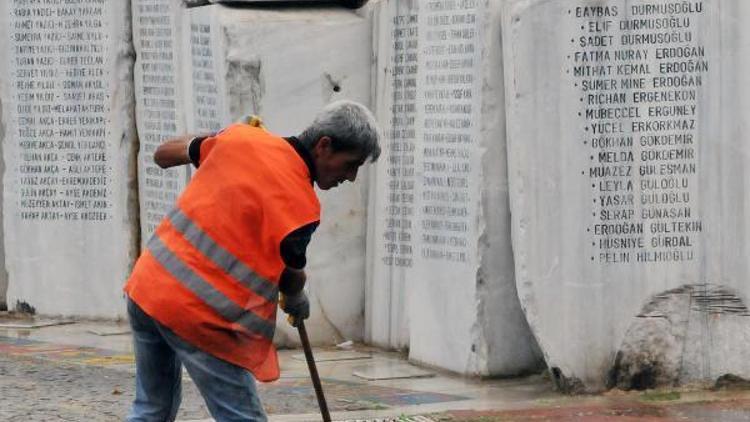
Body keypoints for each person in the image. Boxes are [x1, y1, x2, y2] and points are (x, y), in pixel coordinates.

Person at [123, 100, 380, 421]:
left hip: (147, 289)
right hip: (199, 316)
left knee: (151, 410)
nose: (352, 177)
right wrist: (297, 297)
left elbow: (163, 154)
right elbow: (290, 275)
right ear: (324, 145)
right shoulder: (301, 207)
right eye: (350, 164)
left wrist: (223, 138)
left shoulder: (241, 139)